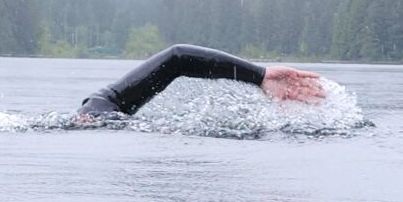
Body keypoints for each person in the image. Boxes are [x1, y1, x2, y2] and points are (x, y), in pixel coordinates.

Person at [77, 44, 326, 120]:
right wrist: (258, 75)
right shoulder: (100, 110)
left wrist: (260, 75)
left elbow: (178, 58)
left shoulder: (98, 111)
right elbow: (178, 57)